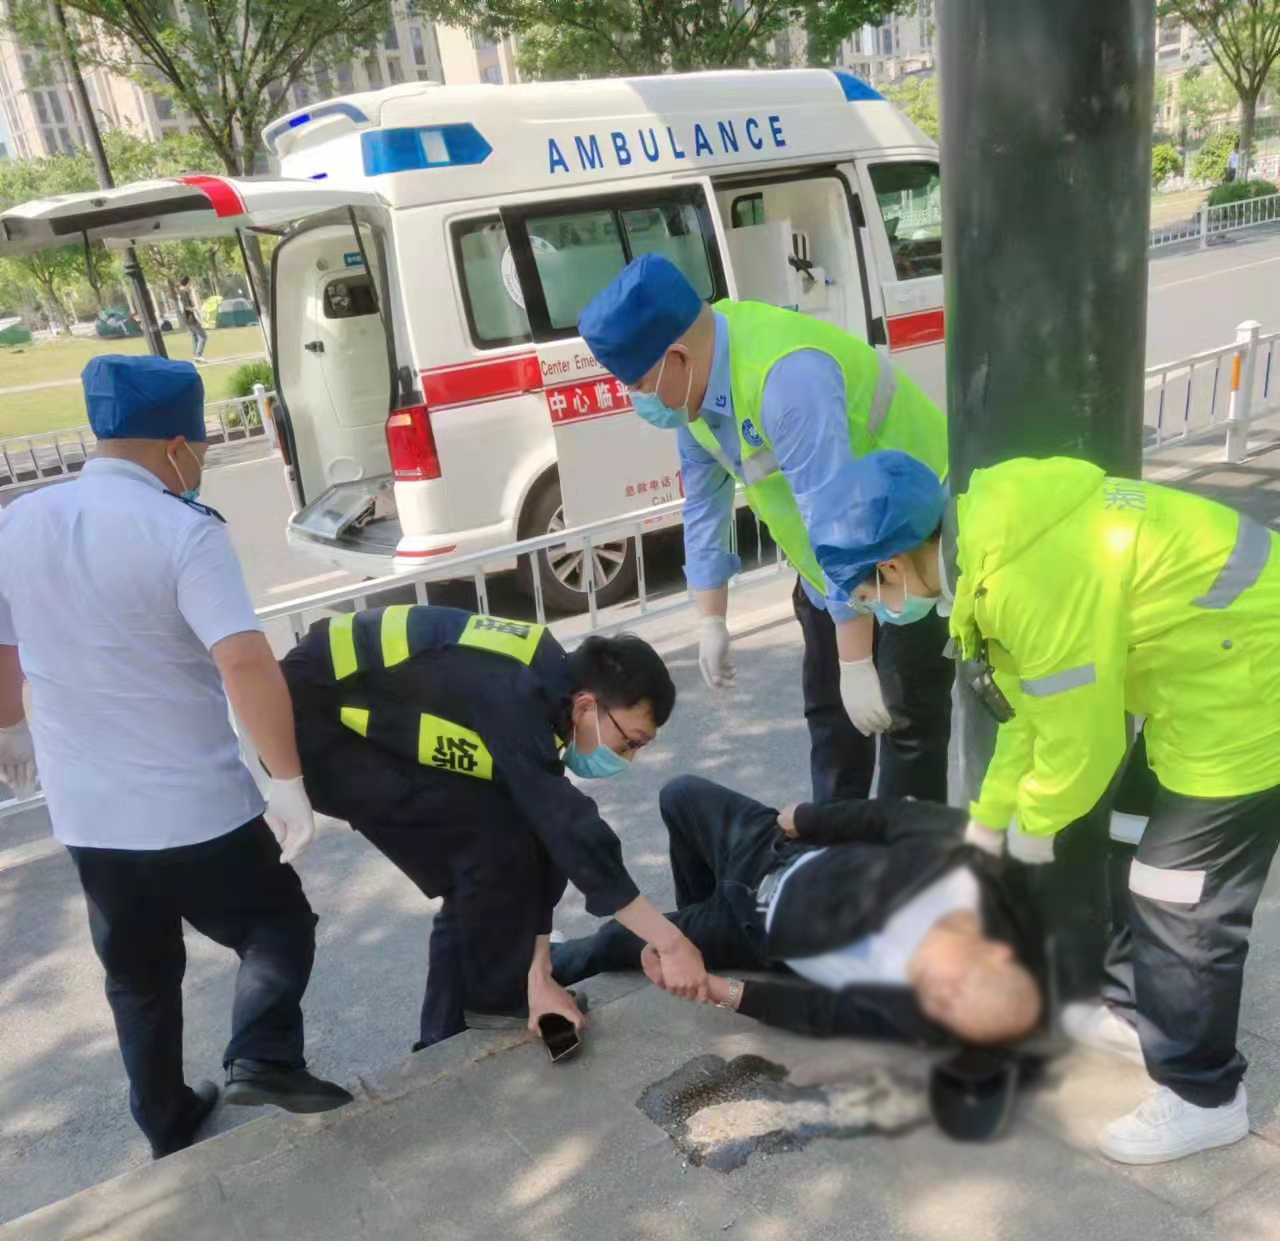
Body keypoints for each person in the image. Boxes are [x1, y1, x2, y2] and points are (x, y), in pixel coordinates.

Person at [824, 448, 1280, 1165]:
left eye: (868, 595)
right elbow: (1030, 716)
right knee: (1129, 832)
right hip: (1202, 676)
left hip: (1249, 682)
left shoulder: (1024, 579)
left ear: (892, 565)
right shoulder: (988, 550)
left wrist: (1034, 827)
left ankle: (1204, 1095)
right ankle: (1136, 1008)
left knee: (1175, 890)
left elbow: (1084, 743)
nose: (879, 610)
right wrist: (988, 823)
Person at [0, 356, 351, 1161]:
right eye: (199, 446)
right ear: (175, 445)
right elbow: (244, 659)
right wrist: (287, 782)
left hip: (89, 817)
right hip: (194, 806)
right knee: (275, 922)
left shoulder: (20, 520)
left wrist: (9, 730)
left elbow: (2, 645)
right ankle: (262, 1053)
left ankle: (166, 1121)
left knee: (137, 974)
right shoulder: (184, 529)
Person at [578, 254, 953, 805]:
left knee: (905, 722)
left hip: (910, 547)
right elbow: (703, 507)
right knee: (832, 720)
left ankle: (909, 853)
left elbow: (836, 520)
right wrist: (712, 620)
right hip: (829, 566)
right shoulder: (694, 397)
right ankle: (833, 846)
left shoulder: (785, 378)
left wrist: (855, 662)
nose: (639, 401)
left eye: (638, 385)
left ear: (677, 359)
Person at [280, 606, 710, 1051]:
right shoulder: (516, 694)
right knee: (480, 852)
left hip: (358, 711)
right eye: (631, 741)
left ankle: (478, 1013)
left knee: (503, 841)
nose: (628, 756)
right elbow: (574, 831)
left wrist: (540, 972)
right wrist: (670, 942)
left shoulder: (546, 688)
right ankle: (477, 1014)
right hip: (312, 727)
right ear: (586, 706)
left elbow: (545, 836)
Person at [552, 775, 1042, 1049]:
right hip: (774, 846)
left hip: (751, 927)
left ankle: (530, 976)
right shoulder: (968, 869)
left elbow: (818, 1012)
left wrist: (716, 989)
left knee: (614, 941)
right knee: (678, 794)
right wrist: (807, 817)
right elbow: (891, 817)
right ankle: (693, 919)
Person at [178, 276, 207, 362]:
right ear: (187, 283)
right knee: (203, 336)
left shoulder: (181, 293)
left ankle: (196, 357)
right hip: (190, 318)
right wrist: (196, 309)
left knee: (194, 337)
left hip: (186, 318)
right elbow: (186, 307)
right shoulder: (184, 293)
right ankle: (198, 354)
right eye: (189, 283)